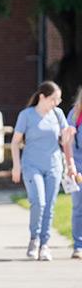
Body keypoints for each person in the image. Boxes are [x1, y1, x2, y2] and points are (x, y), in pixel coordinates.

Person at [11, 81, 75, 261]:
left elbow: (64, 142)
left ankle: (45, 244)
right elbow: (15, 142)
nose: (56, 103)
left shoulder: (58, 114)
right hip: (32, 165)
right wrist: (16, 165)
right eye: (54, 99)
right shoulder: (27, 115)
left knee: (50, 205)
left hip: (54, 165)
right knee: (38, 202)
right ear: (42, 97)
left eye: (59, 100)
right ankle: (34, 239)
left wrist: (69, 161)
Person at [66, 88, 82, 259]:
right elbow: (67, 143)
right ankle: (78, 245)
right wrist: (70, 165)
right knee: (79, 207)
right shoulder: (74, 114)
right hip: (78, 166)